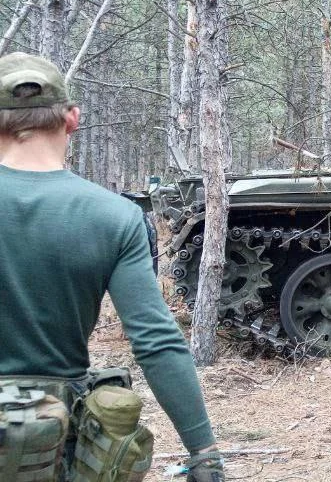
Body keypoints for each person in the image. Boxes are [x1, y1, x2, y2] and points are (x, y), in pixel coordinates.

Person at [0, 53, 224, 482]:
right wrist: (204, 453)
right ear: (72, 119)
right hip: (48, 448)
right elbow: (156, 342)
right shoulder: (113, 217)